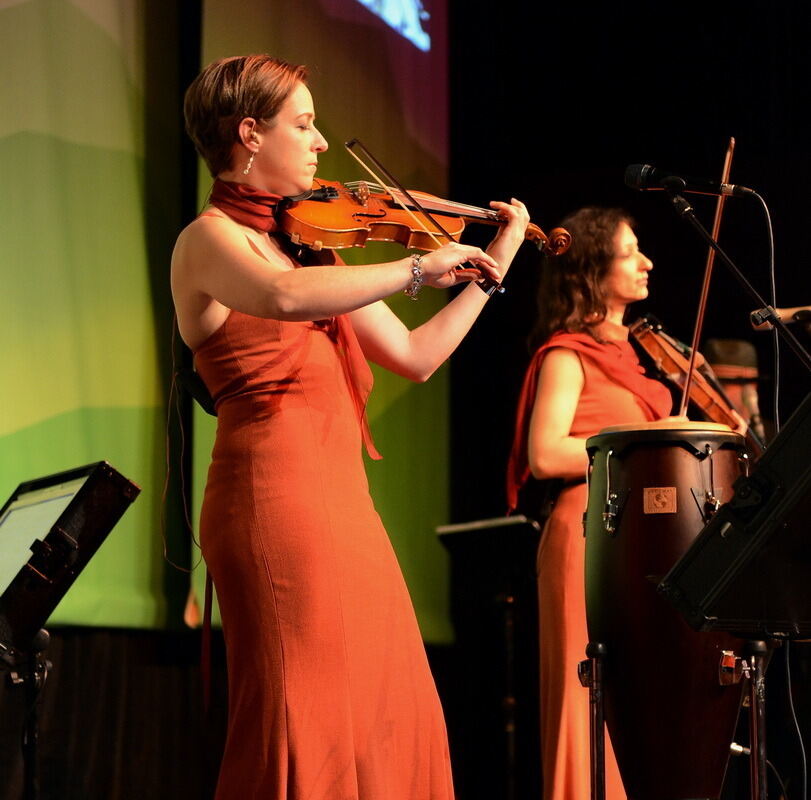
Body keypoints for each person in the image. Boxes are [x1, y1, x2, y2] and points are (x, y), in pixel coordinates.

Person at [171, 54, 529, 800]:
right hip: (272, 500)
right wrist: (415, 269)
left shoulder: (312, 245)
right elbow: (279, 295)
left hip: (342, 500)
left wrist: (493, 268)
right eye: (302, 124)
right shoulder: (207, 241)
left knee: (393, 705)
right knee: (305, 716)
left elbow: (414, 354)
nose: (321, 142)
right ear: (247, 135)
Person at [506, 207, 674, 800]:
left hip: (639, 541)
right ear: (591, 272)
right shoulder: (566, 354)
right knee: (586, 705)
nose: (646, 262)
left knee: (640, 707)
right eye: (630, 253)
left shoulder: (635, 358)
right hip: (585, 536)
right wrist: (645, 443)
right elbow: (546, 454)